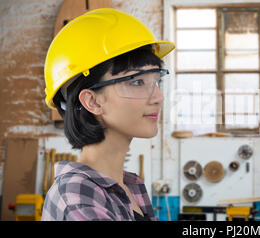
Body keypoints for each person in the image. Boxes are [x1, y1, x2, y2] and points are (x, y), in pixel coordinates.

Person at [41, 8, 175, 221]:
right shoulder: (77, 198)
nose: (158, 97)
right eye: (137, 82)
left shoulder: (128, 186)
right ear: (92, 101)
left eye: (157, 81)